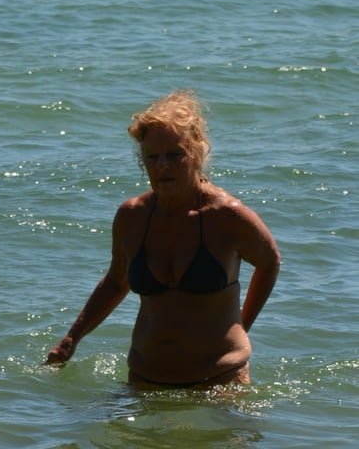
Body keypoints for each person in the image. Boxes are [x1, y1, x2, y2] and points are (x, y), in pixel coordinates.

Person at [47, 90, 281, 388]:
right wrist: (72, 338)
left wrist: (241, 326)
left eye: (174, 155)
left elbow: (270, 262)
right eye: (152, 157)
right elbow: (117, 282)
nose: (162, 166)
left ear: (196, 153)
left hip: (218, 382)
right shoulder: (132, 216)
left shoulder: (227, 216)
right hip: (145, 380)